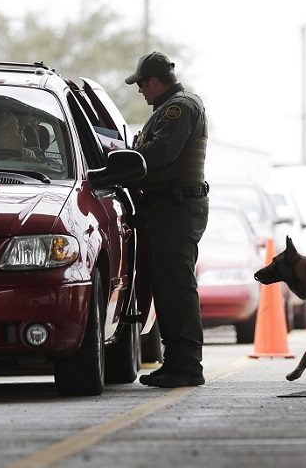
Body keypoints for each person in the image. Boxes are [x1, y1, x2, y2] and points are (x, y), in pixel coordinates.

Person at [125, 51, 209, 388]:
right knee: (171, 286)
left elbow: (159, 155)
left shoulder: (179, 107)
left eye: (141, 85)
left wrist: (123, 158)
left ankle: (187, 365)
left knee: (176, 288)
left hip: (176, 208)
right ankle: (178, 361)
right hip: (168, 208)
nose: (141, 92)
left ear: (155, 81)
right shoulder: (167, 109)